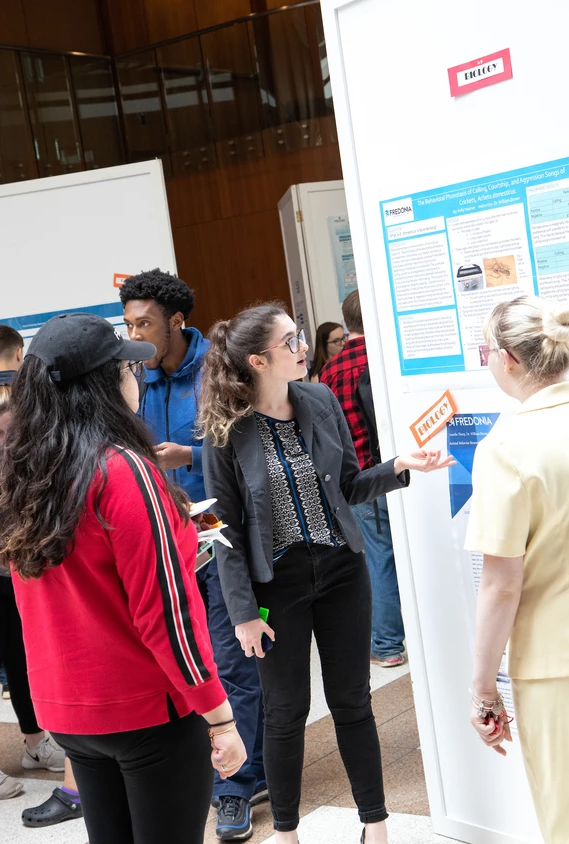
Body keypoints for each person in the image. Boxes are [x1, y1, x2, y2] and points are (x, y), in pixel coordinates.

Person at [199, 301, 454, 844]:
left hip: (341, 569)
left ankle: (376, 827)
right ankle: (288, 834)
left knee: (353, 701)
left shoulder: (319, 398)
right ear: (258, 360)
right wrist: (243, 613)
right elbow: (224, 531)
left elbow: (350, 486)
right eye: (290, 341)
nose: (303, 348)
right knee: (286, 711)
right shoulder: (225, 430)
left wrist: (400, 467)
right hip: (276, 585)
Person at [0, 313, 246, 844]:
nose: (137, 375)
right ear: (105, 384)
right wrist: (219, 717)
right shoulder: (122, 470)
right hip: (146, 708)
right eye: (127, 366)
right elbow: (165, 613)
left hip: (68, 710)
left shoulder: (24, 469)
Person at [120, 269, 267, 841]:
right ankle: (212, 765)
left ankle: (237, 788)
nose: (134, 333)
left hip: (222, 536)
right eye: (128, 323)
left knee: (231, 662)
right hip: (165, 544)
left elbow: (250, 447)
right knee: (179, 665)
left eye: (144, 323)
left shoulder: (218, 369)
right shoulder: (134, 377)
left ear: (176, 321)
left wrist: (191, 454)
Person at [466, 296, 569, 844]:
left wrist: (484, 690)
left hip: (556, 665)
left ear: (507, 359)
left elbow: (502, 585)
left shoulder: (507, 446)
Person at [0, 332, 65, 801]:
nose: (6, 442)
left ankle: (35, 741)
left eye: (11, 433)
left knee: (23, 655)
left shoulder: (29, 446)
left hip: (14, 566)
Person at [319, 291, 404, 667]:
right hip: (401, 466)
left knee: (381, 556)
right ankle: (394, 639)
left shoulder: (327, 372)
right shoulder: (387, 358)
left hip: (359, 477)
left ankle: (386, 646)